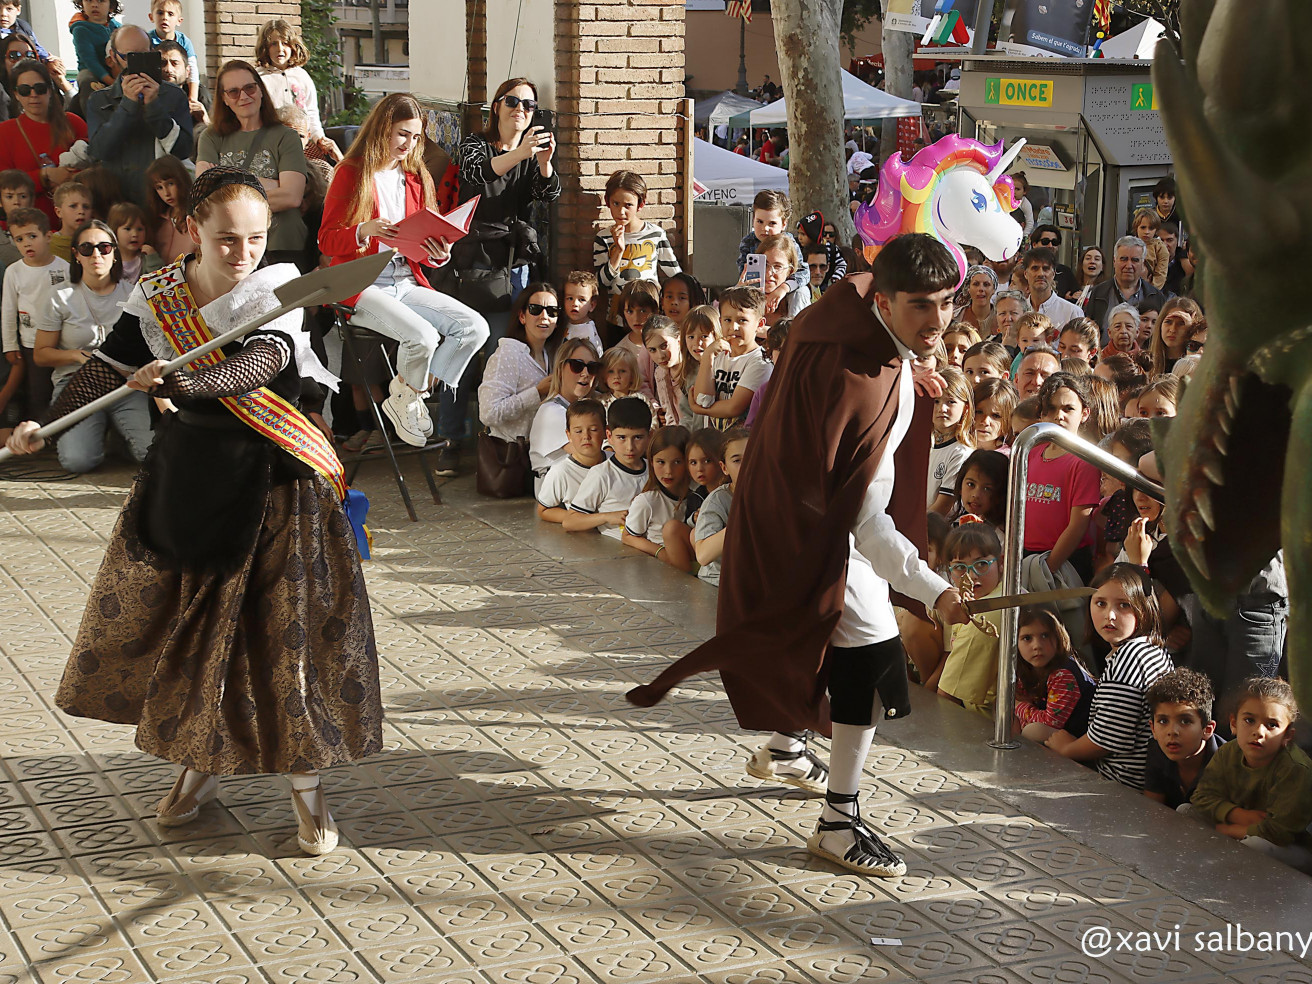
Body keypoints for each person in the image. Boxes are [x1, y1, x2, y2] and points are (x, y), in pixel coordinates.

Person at [4, 167, 381, 856]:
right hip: (191, 481)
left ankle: (308, 791)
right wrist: (44, 423)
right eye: (228, 238)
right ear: (192, 229)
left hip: (276, 486)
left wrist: (181, 379)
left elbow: (257, 366)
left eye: (257, 238)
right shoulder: (159, 295)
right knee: (201, 638)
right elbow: (104, 367)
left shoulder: (279, 292)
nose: (244, 253)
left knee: (282, 639)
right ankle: (200, 767)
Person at [628, 234, 970, 877]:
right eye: (920, 306)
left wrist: (905, 351)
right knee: (870, 665)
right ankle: (839, 824)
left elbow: (859, 285)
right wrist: (933, 590)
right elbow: (867, 524)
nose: (937, 321)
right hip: (816, 536)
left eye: (946, 304)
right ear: (888, 303)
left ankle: (785, 748)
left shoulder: (841, 320)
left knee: (818, 644)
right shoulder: (860, 382)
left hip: (787, 518)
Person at [319, 92, 490, 447]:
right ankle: (409, 397)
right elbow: (326, 240)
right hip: (361, 285)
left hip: (405, 281)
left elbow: (422, 248)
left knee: (474, 328)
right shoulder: (352, 173)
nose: (408, 144)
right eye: (402, 134)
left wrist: (438, 254)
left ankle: (407, 395)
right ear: (383, 128)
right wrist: (363, 230)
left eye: (415, 137)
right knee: (423, 338)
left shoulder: (416, 177)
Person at [447, 77, 559, 468]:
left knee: (508, 349)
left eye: (528, 106)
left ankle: (501, 439)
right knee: (467, 349)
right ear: (496, 106)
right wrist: (522, 151)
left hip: (515, 266)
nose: (520, 110)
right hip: (474, 262)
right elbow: (479, 175)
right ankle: (452, 436)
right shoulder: (475, 145)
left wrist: (543, 163)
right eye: (512, 102)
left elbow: (548, 196)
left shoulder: (532, 154)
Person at [33, 219, 146, 473]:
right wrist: (75, 355)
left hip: (125, 383)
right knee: (78, 461)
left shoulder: (134, 295)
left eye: (105, 248)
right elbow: (40, 355)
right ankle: (100, 432)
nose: (96, 254)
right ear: (76, 255)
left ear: (114, 253)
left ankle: (118, 435)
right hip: (75, 383)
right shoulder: (60, 296)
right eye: (87, 248)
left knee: (151, 452)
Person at [1046, 565, 1174, 789]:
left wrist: (1067, 749)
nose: (1110, 615)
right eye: (1100, 603)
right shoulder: (1150, 648)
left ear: (1143, 608)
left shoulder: (1130, 659)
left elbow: (1106, 740)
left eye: (1123, 605)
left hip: (1121, 783)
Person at [1189, 677, 1312, 873]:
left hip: (1288, 848)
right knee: (1185, 812)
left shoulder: (1295, 768)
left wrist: (1227, 830)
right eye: (1249, 720)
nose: (1258, 731)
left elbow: (1279, 832)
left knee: (1253, 846)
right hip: (1243, 824)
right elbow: (1201, 798)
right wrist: (1238, 814)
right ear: (1233, 723)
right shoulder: (1228, 752)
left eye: (1271, 725)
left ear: (1287, 735)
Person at [196, 61, 306, 267]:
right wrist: (271, 184)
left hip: (282, 242)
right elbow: (205, 196)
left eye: (249, 88)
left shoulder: (286, 136)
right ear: (224, 99)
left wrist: (227, 184)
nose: (244, 96)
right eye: (234, 92)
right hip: (231, 249)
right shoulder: (211, 137)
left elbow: (291, 197)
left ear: (261, 90)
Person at [85, 26, 194, 209]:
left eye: (143, 54)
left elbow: (182, 150)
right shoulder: (100, 99)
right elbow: (99, 151)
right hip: (118, 202)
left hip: (162, 202)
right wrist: (128, 104)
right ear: (114, 57)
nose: (135, 63)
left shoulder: (174, 96)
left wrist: (153, 106)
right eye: (128, 56)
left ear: (152, 52)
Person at [0, 59, 87, 225]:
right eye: (25, 90)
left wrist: (70, 177)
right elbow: (3, 185)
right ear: (16, 94)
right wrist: (44, 176)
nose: (33, 95)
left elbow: (95, 165)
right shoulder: (4, 132)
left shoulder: (73, 122)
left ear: (49, 90)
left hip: (76, 222)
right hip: (27, 227)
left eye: (39, 88)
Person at [2, 207, 69, 417]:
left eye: (32, 236)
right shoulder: (14, 271)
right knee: (38, 393)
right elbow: (8, 310)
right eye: (19, 239)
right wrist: (10, 345)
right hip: (31, 344)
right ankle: (41, 436)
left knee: (63, 389)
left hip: (62, 342)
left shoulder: (64, 268)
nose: (26, 243)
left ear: (48, 236)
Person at [478, 283, 565, 444]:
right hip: (511, 456)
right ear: (522, 317)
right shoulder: (508, 353)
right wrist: (537, 392)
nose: (544, 316)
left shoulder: (552, 356)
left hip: (543, 452)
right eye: (535, 309)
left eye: (552, 311)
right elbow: (488, 413)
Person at [935, 524, 1004, 715]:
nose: (972, 576)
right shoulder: (962, 599)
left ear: (1001, 563)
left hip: (987, 722)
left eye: (981, 564)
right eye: (959, 567)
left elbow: (947, 697)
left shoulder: (985, 617)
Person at [562, 396, 652, 537]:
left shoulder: (654, 470)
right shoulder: (602, 474)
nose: (630, 447)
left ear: (649, 436)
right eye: (622, 437)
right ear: (609, 435)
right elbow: (570, 521)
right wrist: (606, 517)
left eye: (638, 437)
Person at [254, 18, 340, 162]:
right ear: (265, 47)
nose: (280, 49)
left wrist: (319, 138)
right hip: (271, 143)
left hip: (302, 143)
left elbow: (311, 113)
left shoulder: (301, 76)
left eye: (285, 43)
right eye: (273, 44)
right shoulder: (259, 78)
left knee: (322, 171)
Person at [691, 285, 771, 429]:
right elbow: (703, 399)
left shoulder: (761, 362)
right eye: (727, 320)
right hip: (713, 439)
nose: (733, 327)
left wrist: (699, 410)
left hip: (742, 443)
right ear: (720, 321)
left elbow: (734, 408)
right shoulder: (716, 354)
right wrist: (708, 355)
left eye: (742, 320)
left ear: (759, 324)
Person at [1143, 668, 1222, 810]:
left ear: (1207, 729)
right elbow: (1153, 811)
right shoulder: (1157, 752)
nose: (1172, 732)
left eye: (1185, 721)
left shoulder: (1227, 761)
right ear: (1153, 728)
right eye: (1162, 721)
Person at [1014, 607, 1095, 742]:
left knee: (1033, 731)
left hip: (1076, 739)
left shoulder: (1063, 675)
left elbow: (1050, 722)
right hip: (1053, 729)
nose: (1037, 645)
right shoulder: (1026, 668)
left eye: (1045, 636)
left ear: (1058, 638)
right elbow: (1020, 697)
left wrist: (1018, 706)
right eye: (1027, 638)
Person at [593, 169, 680, 294]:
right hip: (618, 310)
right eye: (616, 203)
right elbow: (601, 283)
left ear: (641, 204)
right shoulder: (603, 238)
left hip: (650, 307)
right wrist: (618, 250)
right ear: (607, 202)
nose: (621, 211)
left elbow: (676, 276)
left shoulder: (656, 234)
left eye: (628, 205)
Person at [527, 337, 599, 490]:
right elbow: (590, 455)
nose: (585, 373)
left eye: (592, 367)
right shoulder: (551, 412)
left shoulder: (591, 408)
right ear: (560, 369)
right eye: (577, 366)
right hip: (557, 497)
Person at [622, 424, 694, 572]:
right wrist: (660, 552)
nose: (668, 471)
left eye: (677, 462)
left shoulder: (697, 494)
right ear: (651, 461)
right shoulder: (648, 501)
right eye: (661, 462)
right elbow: (628, 536)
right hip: (668, 569)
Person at [736, 191, 809, 315]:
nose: (765, 228)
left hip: (785, 290)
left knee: (802, 292)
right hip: (756, 290)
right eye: (760, 222)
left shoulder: (789, 243)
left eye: (772, 223)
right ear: (753, 219)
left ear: (783, 224)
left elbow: (803, 272)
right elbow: (743, 270)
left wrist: (783, 289)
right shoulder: (748, 242)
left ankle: (793, 328)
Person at [1083, 236, 1167, 344]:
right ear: (1114, 261)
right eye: (1123, 259)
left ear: (1143, 264)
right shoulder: (1098, 292)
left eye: (1135, 260)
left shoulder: (1156, 296)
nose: (1129, 265)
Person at [535, 397, 605, 524]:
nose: (586, 436)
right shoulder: (560, 472)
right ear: (568, 435)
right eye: (578, 431)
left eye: (593, 430)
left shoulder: (615, 461)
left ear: (606, 432)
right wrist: (582, 519)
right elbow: (544, 510)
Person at [691, 427, 744, 589]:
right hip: (718, 582)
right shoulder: (718, 500)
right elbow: (703, 555)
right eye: (737, 460)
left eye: (754, 457)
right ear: (724, 467)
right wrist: (742, 522)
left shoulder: (772, 493)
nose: (747, 465)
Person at [927, 366, 974, 515]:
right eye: (936, 401)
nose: (942, 408)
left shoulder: (961, 452)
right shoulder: (923, 444)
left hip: (936, 531)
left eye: (951, 402)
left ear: (965, 408)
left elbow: (942, 508)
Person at [144, 155, 193, 266]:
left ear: (181, 181)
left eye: (170, 184)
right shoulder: (157, 220)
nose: (166, 193)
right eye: (159, 187)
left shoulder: (198, 217)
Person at [146, 0, 198, 102]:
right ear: (151, 17)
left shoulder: (184, 41)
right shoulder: (147, 40)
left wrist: (193, 98)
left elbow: (193, 69)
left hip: (179, 82)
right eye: (160, 13)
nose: (165, 17)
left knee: (204, 95)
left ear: (179, 21)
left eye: (170, 14)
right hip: (156, 84)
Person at [1021, 247, 1083, 326]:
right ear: (1025, 274)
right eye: (1035, 268)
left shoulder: (1072, 312)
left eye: (1046, 269)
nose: (1041, 274)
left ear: (1053, 274)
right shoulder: (1017, 311)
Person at [70, 0, 122, 86]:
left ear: (111, 6)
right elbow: (90, 61)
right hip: (92, 72)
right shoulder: (81, 30)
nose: (94, 5)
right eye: (89, 1)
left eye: (101, 1)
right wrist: (112, 83)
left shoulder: (117, 27)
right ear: (82, 4)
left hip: (113, 69)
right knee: (86, 78)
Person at [644, 316, 684, 427]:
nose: (660, 356)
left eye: (664, 346)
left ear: (679, 341)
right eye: (652, 350)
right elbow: (669, 415)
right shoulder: (660, 373)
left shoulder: (694, 369)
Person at [1149, 297, 1201, 378]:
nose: (1173, 330)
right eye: (1168, 322)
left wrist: (1193, 333)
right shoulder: (1147, 364)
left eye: (1181, 323)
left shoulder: (1200, 365)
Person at [562, 269, 604, 353]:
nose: (575, 303)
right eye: (570, 298)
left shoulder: (588, 333)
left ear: (591, 305)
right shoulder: (563, 324)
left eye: (581, 300)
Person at [49, 181, 92, 262]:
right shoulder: (48, 246)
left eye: (86, 206)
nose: (81, 211)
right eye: (73, 206)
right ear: (58, 212)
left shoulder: (95, 243)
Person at [972, 377, 1016, 454]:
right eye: (979, 412)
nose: (985, 422)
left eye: (996, 416)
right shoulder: (957, 448)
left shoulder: (1007, 458)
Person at [955, 265, 997, 333]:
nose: (981, 289)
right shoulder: (955, 317)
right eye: (976, 284)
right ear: (968, 288)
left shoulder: (1002, 316)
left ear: (993, 289)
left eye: (986, 284)